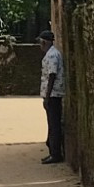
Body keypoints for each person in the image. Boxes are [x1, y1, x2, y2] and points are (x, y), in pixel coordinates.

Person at [38, 29, 64, 164]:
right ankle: (53, 149)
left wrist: (47, 96)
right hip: (52, 94)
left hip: (54, 95)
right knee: (52, 123)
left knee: (54, 124)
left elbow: (52, 75)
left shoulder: (52, 55)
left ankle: (55, 153)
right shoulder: (51, 54)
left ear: (44, 42)